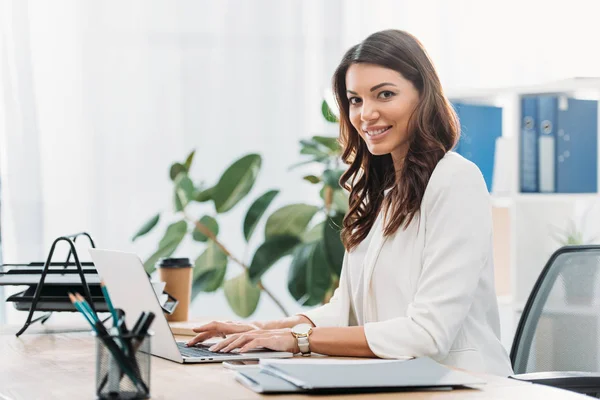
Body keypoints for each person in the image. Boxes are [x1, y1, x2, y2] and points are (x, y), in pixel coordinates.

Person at [187, 29, 514, 376]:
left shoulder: (456, 180)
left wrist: (301, 340)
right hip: (396, 380)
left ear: (424, 95)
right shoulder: (378, 189)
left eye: (384, 94)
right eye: (355, 99)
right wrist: (265, 331)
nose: (366, 114)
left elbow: (426, 333)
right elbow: (345, 309)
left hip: (463, 383)